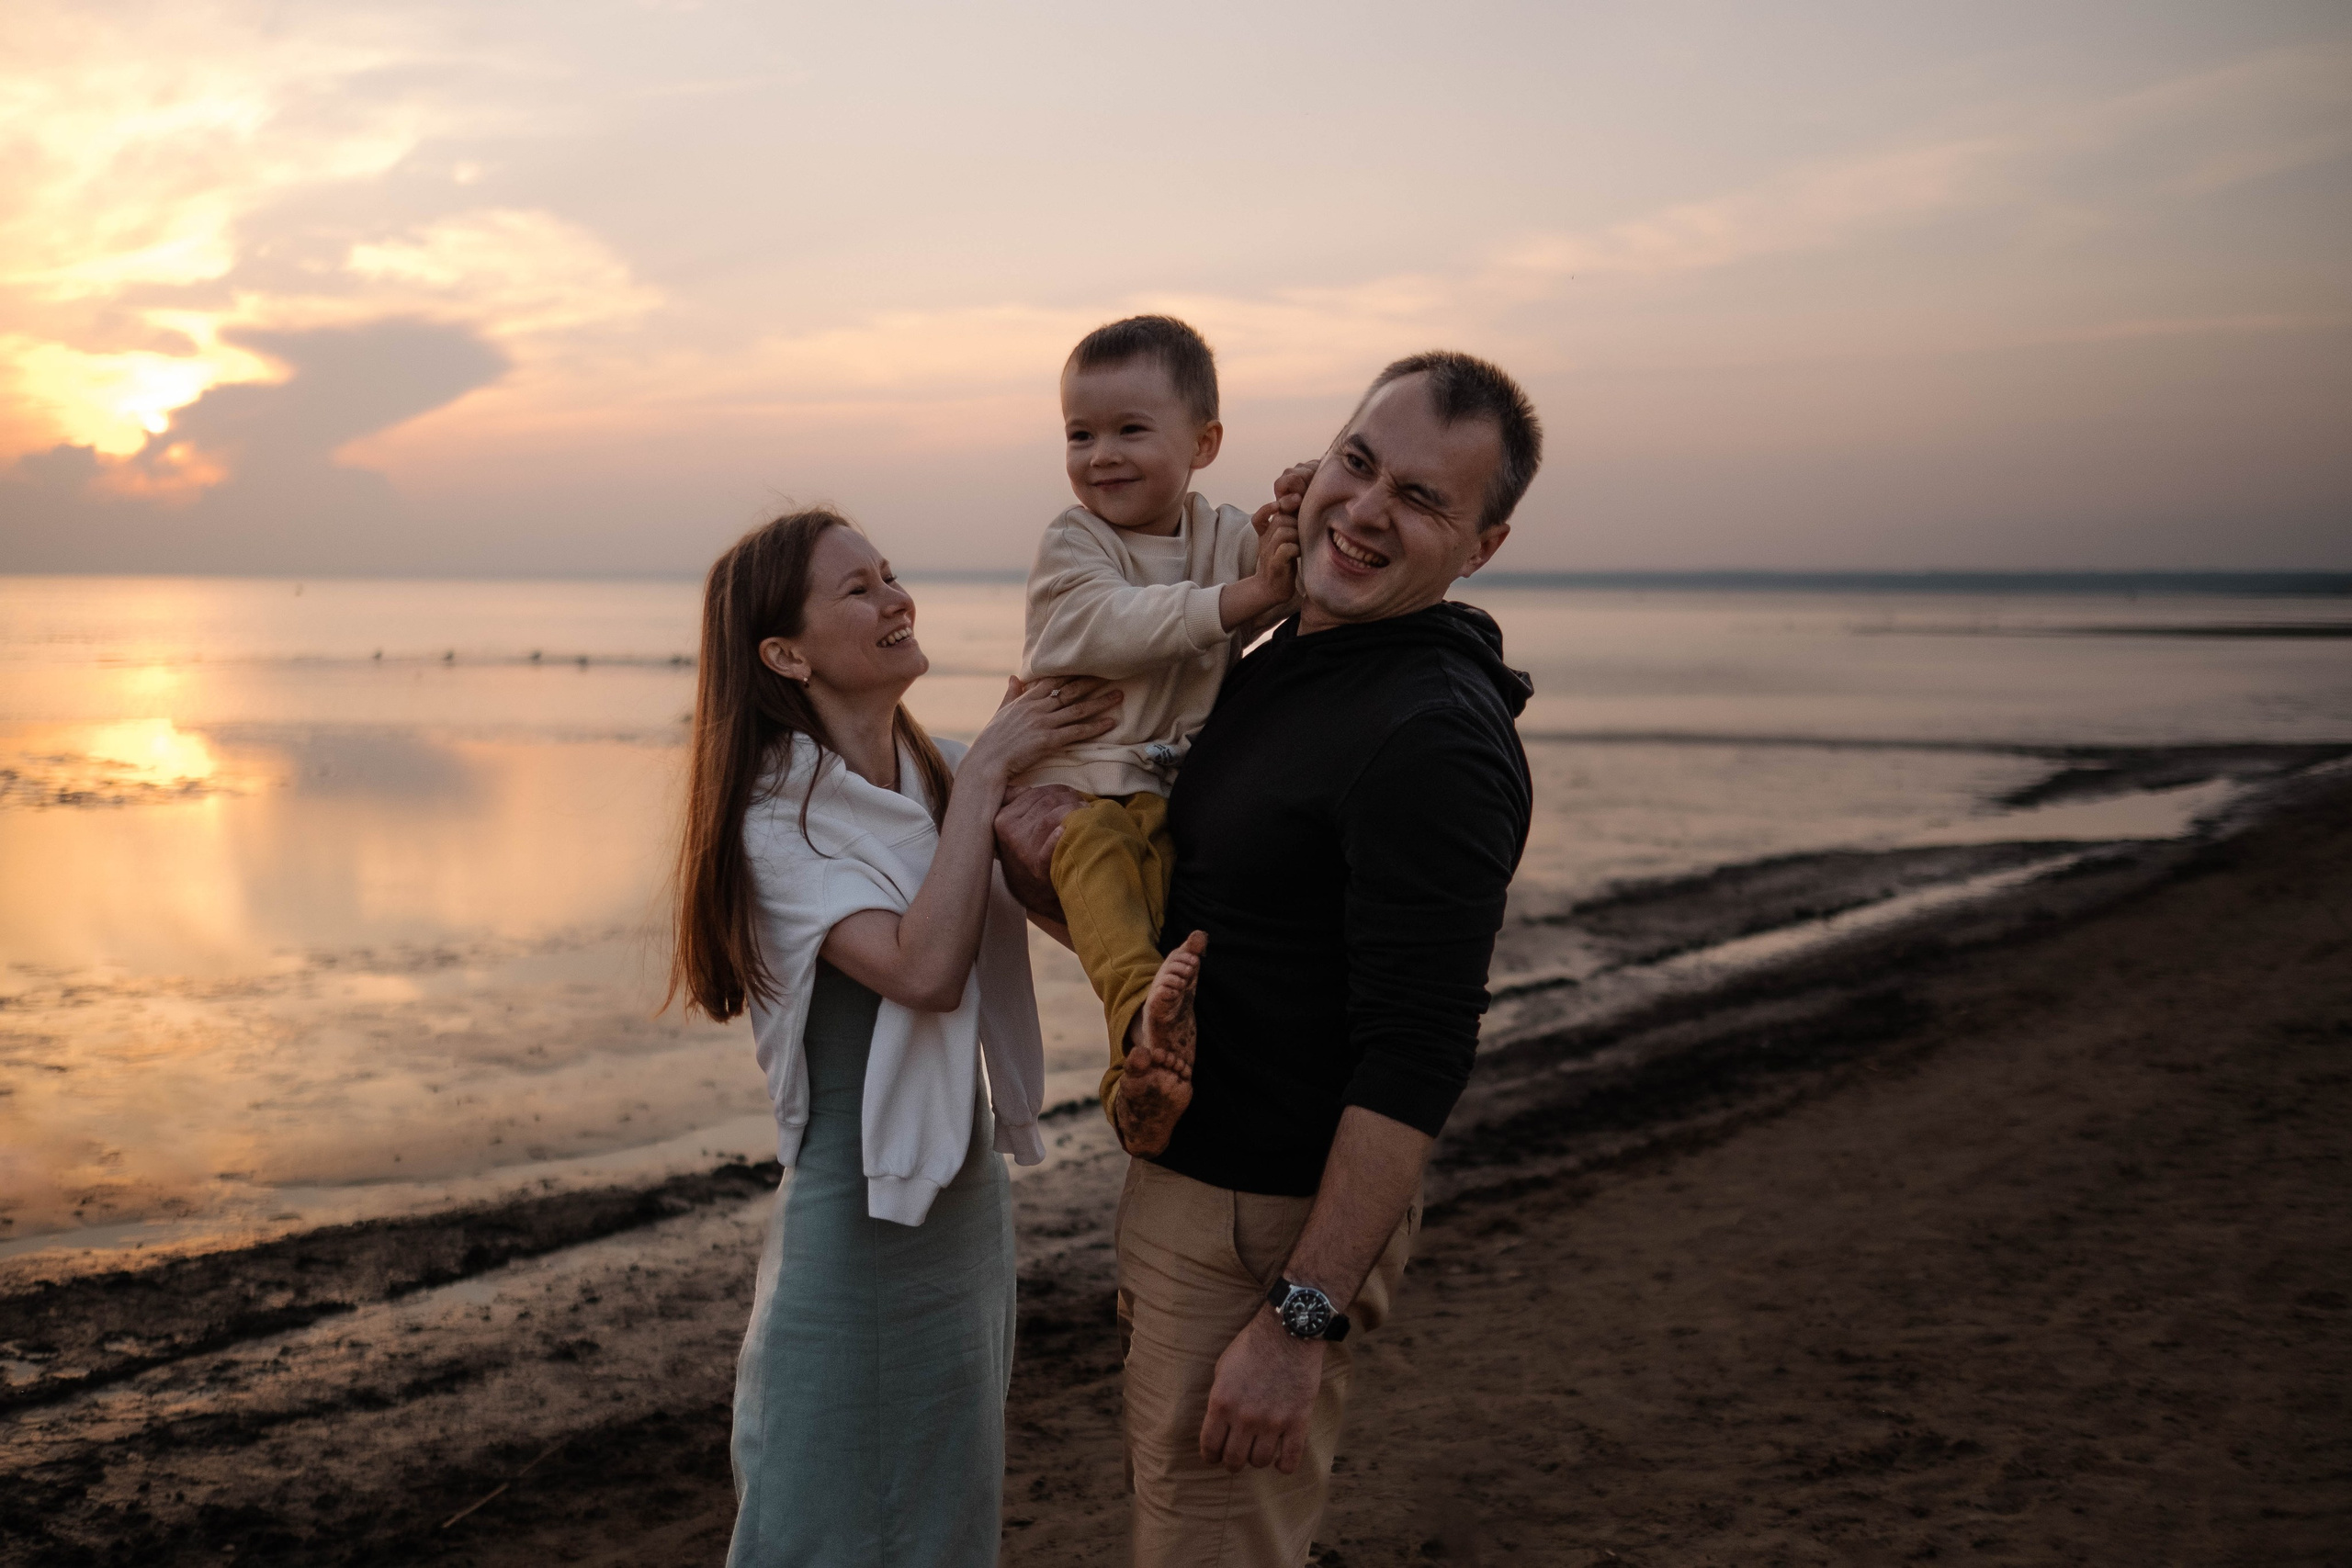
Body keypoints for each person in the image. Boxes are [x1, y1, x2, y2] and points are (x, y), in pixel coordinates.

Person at [1000, 351, 1544, 1565]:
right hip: (1195, 1190)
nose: (1368, 509)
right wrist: (1052, 881)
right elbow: (1233, 927)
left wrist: (1299, 1322)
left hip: (1268, 1232)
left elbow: (1416, 1057)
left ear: (1483, 545)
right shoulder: (1292, 655)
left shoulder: (1431, 738)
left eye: (1421, 498)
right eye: (1359, 462)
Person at [667, 507, 1122, 1568]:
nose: (895, 598)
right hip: (854, 1217)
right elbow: (923, 971)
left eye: (889, 574)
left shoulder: (944, 774)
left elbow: (1080, 925)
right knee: (814, 1522)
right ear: (785, 654)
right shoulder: (775, 821)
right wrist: (989, 779)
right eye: (858, 589)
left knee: (942, 1520)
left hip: (965, 1204)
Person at [1005, 314, 1300, 1156]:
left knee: (1178, 935)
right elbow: (1107, 625)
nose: (1101, 455)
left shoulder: (1223, 538)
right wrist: (1243, 600)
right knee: (1105, 876)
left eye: (1131, 430)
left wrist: (1304, 504)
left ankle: (1145, 1075)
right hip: (1072, 798)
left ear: (1204, 443)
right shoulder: (1075, 540)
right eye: (1080, 434)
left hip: (1169, 799)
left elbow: (1295, 568)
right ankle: (1141, 1022)